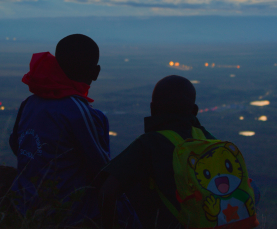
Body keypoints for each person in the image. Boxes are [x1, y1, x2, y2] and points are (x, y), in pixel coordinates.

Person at [99, 75, 259, 229]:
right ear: (194, 110)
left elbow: (108, 190)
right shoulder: (208, 140)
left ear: (152, 108)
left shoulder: (148, 144)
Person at [9, 34, 137, 227]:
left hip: (22, 207)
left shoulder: (29, 102)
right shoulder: (81, 112)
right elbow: (102, 170)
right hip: (67, 216)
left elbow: (15, 144)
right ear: (96, 72)